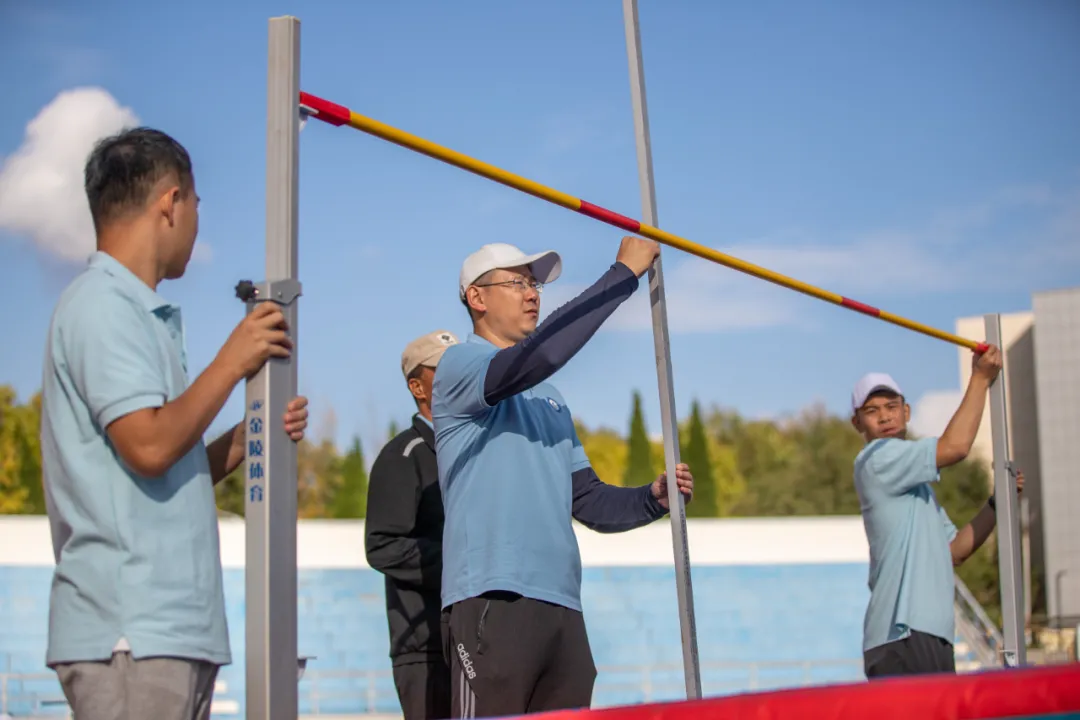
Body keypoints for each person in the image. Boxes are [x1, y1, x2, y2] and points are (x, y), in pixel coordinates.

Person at [39, 127, 309, 720]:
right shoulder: (103, 304)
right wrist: (231, 363)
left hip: (164, 633)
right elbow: (150, 446)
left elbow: (166, 465)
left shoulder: (135, 311)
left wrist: (250, 435)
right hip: (131, 632)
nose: (196, 223)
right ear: (171, 201)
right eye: (196, 204)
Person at [432, 239, 695, 718]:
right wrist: (622, 275)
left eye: (534, 284)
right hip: (493, 596)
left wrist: (651, 499)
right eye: (517, 282)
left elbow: (587, 499)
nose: (532, 293)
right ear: (477, 297)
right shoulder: (459, 366)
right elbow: (541, 355)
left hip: (561, 603)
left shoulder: (549, 397)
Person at [850, 346, 1025, 679]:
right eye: (872, 411)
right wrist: (980, 378)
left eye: (891, 407)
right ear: (857, 422)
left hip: (928, 634)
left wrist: (996, 504)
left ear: (906, 412)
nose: (885, 417)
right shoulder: (877, 459)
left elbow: (955, 551)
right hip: (901, 636)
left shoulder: (918, 491)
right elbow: (955, 447)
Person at [366, 330, 460, 720]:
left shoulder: (473, 449)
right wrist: (461, 564)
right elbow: (382, 545)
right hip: (427, 649)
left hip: (476, 642)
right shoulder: (402, 455)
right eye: (443, 369)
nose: (457, 376)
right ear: (417, 387)